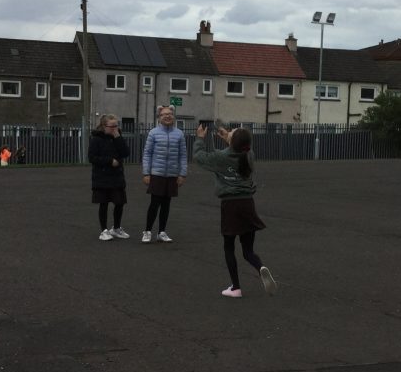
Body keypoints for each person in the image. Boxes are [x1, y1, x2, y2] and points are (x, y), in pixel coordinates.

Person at [194, 122, 276, 298]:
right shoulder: (249, 155)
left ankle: (236, 288)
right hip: (247, 204)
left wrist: (200, 139)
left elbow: (200, 157)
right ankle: (260, 266)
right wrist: (229, 139)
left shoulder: (221, 157)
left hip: (230, 205)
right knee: (248, 251)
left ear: (233, 141)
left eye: (232, 131)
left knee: (229, 247)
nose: (229, 131)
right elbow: (237, 150)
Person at [141, 105, 187, 243]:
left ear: (173, 116)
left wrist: (182, 174)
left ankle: (161, 232)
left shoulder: (179, 134)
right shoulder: (153, 133)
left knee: (166, 204)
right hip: (157, 173)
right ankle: (147, 231)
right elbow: (147, 154)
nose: (167, 116)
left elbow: (183, 155)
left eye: (170, 114)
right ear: (159, 118)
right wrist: (146, 173)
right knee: (154, 203)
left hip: (172, 174)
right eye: (164, 114)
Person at [89, 114, 131, 240]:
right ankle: (104, 230)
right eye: (111, 126)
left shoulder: (118, 137)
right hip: (102, 176)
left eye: (116, 126)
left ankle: (116, 228)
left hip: (117, 176)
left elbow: (125, 153)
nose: (114, 128)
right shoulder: (96, 139)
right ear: (104, 126)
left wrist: (118, 137)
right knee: (104, 203)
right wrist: (109, 161)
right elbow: (92, 158)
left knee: (119, 202)